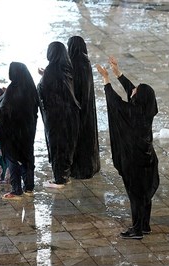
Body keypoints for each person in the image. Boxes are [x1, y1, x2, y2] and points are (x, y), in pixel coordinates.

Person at [96, 56, 159, 240]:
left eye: (136, 91)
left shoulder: (131, 112)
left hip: (134, 161)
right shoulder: (147, 110)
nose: (133, 91)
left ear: (138, 97)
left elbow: (114, 101)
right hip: (148, 158)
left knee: (135, 195)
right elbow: (131, 89)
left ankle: (137, 229)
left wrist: (106, 78)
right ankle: (145, 225)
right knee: (145, 193)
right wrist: (118, 73)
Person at [37, 41, 80, 188]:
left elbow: (43, 91)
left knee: (57, 146)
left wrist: (43, 78)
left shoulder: (51, 70)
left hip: (56, 117)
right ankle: (65, 175)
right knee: (66, 145)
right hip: (69, 115)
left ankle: (59, 179)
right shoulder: (66, 67)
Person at [0, 62, 39, 200]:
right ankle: (29, 187)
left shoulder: (12, 90)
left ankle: (16, 190)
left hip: (12, 134)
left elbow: (3, 112)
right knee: (27, 157)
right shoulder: (31, 89)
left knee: (12, 159)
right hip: (28, 131)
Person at [67, 36, 100, 179]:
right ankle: (91, 165)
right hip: (87, 108)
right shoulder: (86, 62)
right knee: (88, 137)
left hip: (77, 109)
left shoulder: (74, 64)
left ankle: (79, 168)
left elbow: (71, 86)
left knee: (78, 139)